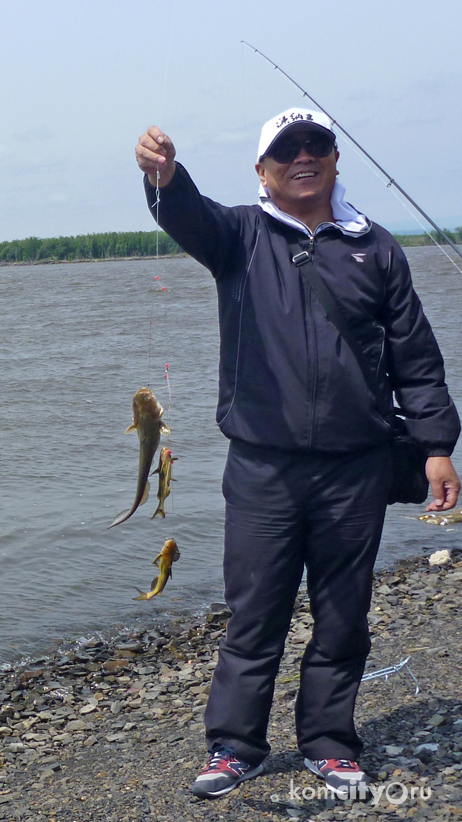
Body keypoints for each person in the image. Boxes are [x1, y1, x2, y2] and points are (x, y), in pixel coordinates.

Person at [134, 109, 461, 800]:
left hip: (357, 466)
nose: (302, 157)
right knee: (256, 615)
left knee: (344, 615)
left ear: (337, 160)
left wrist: (437, 447)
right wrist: (165, 178)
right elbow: (187, 215)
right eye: (286, 149)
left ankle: (330, 743)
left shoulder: (375, 247)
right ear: (262, 169)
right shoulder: (239, 236)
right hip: (263, 468)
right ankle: (235, 746)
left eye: (316, 145)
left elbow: (417, 358)